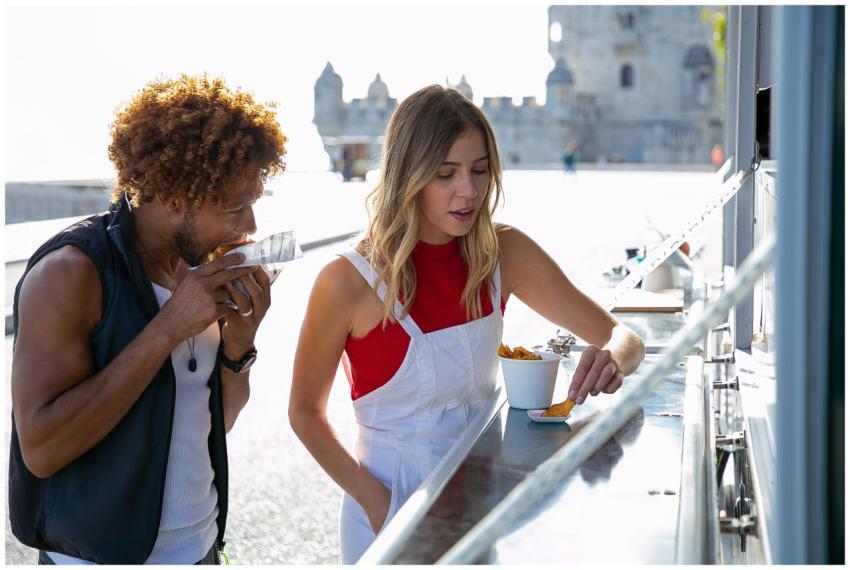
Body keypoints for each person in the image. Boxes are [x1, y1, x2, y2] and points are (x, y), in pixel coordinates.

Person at [288, 85, 645, 563]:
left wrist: (611, 361)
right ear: (406, 176)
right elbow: (305, 413)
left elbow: (625, 337)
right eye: (445, 174)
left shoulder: (505, 252)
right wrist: (377, 503)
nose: (470, 191)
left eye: (480, 171)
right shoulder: (346, 281)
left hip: (480, 498)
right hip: (387, 508)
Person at [9, 74, 286, 564]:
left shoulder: (202, 264)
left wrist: (240, 346)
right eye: (234, 208)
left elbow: (214, 422)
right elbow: (43, 450)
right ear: (175, 196)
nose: (250, 227)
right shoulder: (71, 273)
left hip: (201, 552)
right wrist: (166, 330)